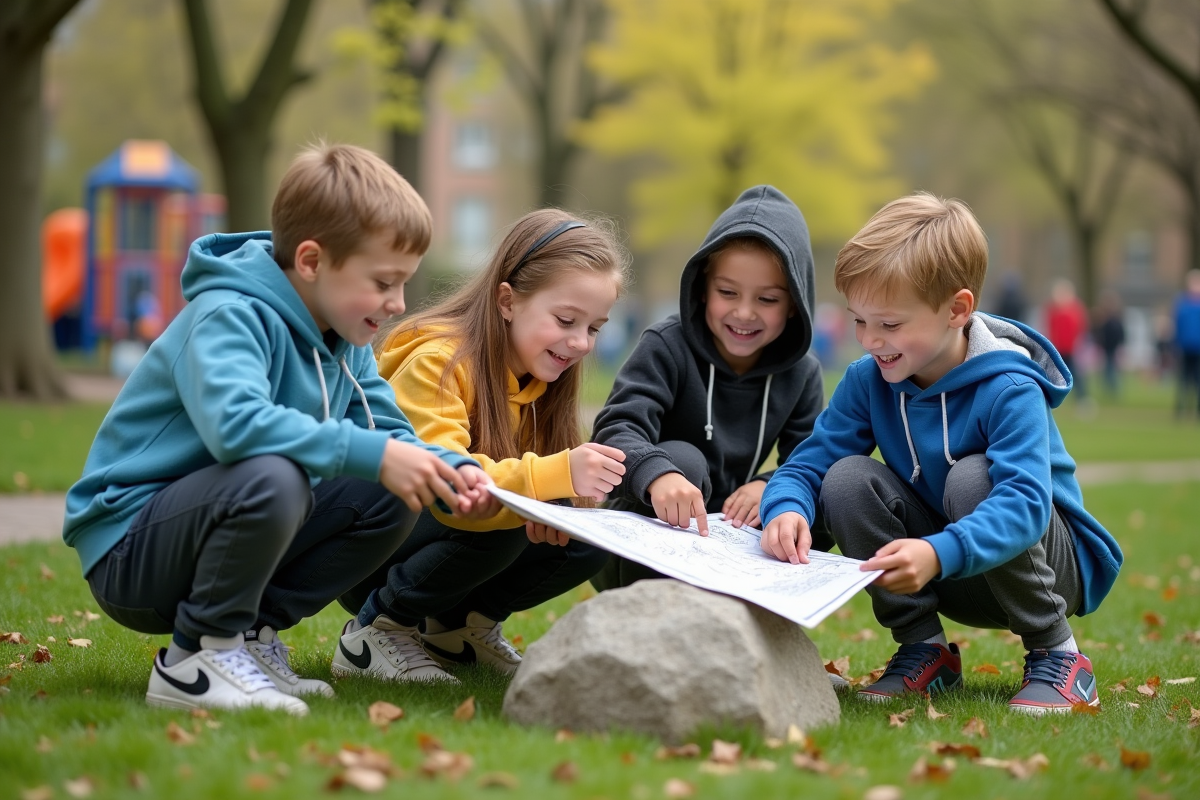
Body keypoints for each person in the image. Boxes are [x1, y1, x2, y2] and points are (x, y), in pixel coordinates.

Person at [62, 143, 494, 715]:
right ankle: (196, 661)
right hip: (130, 548)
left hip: (213, 528)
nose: (398, 303)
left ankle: (247, 641)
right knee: (278, 472)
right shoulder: (229, 313)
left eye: (404, 283)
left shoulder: (345, 337)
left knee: (395, 488)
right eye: (384, 282)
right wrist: (373, 453)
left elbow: (386, 426)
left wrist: (452, 469)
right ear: (313, 262)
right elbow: (236, 429)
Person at [759, 193, 1123, 715]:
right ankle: (924, 651)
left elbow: (1023, 503)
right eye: (859, 321)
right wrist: (787, 506)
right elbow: (809, 463)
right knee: (843, 479)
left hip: (1044, 567)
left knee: (974, 480)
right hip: (949, 569)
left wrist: (937, 553)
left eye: (889, 324)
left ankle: (1058, 654)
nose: (869, 341)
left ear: (957, 310)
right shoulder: (869, 380)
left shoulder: (1009, 386)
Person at [336, 209, 628, 681]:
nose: (581, 343)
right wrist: (549, 479)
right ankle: (375, 631)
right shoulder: (437, 362)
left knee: (586, 539)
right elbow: (449, 483)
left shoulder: (537, 380)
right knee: (502, 506)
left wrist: (561, 505)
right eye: (566, 320)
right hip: (366, 550)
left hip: (437, 546)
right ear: (507, 301)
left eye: (593, 328)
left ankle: (457, 631)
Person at [589, 185, 826, 590]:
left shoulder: (801, 373)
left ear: (794, 304)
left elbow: (813, 457)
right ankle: (648, 614)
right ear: (702, 287)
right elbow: (615, 429)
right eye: (727, 292)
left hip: (730, 539)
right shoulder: (666, 345)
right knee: (686, 458)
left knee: (812, 499)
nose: (744, 312)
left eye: (767, 299)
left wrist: (770, 486)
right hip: (636, 542)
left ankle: (765, 616)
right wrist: (658, 475)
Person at [1045, 279, 1089, 401]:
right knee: (1053, 373)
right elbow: (1051, 327)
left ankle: (1082, 397)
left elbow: (1079, 328)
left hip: (1071, 348)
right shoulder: (1053, 310)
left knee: (1075, 373)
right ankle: (1053, 397)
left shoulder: (1074, 310)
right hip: (1057, 347)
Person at [1173, 269, 1200, 417]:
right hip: (1184, 346)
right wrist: (1176, 343)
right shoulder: (1182, 303)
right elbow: (1177, 324)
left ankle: (1197, 409)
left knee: (1197, 380)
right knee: (1183, 380)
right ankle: (1180, 408)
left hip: (1199, 348)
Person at [1093, 291, 1125, 399]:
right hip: (1108, 347)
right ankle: (1110, 388)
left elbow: (1118, 333)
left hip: (1111, 347)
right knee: (1109, 368)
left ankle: (1112, 388)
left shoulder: (1113, 319)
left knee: (1110, 368)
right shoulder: (1106, 318)